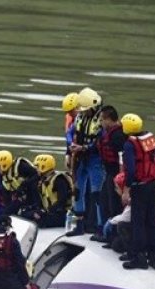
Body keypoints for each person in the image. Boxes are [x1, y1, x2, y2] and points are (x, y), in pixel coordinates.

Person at [121, 113, 155, 270]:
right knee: (152, 221)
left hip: (139, 186)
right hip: (152, 184)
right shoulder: (148, 138)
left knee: (138, 221)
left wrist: (126, 189)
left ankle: (139, 257)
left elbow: (130, 170)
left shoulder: (129, 145)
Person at [67, 87, 105, 236]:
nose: (83, 112)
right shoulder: (80, 118)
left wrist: (84, 148)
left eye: (86, 109)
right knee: (77, 191)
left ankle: (100, 228)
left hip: (94, 160)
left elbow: (100, 142)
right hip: (80, 158)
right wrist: (71, 145)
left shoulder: (100, 121)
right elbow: (70, 133)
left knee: (97, 194)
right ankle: (79, 225)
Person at [96, 105, 127, 240]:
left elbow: (122, 158)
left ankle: (114, 236)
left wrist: (120, 179)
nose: (101, 123)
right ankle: (107, 233)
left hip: (116, 174)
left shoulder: (118, 136)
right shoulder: (108, 134)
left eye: (103, 120)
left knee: (114, 205)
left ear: (109, 119)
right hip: (109, 172)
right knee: (104, 201)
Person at [0, 150, 41, 218]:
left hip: (32, 195)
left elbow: (37, 175)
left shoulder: (21, 166)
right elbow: (6, 193)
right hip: (20, 197)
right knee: (8, 210)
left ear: (4, 165)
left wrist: (23, 185)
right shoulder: (3, 176)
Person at [31, 154, 73, 228]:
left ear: (44, 167)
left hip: (61, 214)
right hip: (50, 212)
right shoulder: (43, 180)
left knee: (39, 222)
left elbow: (62, 200)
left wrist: (46, 212)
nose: (36, 169)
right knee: (27, 214)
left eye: (37, 167)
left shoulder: (59, 180)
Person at [103, 172, 131, 253]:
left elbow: (125, 217)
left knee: (120, 226)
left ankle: (130, 250)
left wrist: (110, 221)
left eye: (117, 187)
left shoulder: (130, 200)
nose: (115, 190)